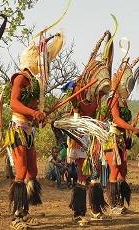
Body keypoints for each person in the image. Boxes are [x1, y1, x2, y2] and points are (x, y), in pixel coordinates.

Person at [3, 30, 64, 229]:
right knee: (20, 171)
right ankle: (16, 217)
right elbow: (13, 103)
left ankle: (25, 212)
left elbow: (33, 113)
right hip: (18, 128)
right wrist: (32, 112)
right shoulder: (20, 78)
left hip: (28, 130)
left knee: (32, 171)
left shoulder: (35, 83)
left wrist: (39, 117)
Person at [66, 30, 114, 225]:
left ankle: (95, 209)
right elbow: (75, 113)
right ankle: (78, 213)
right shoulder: (78, 89)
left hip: (92, 136)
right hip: (78, 134)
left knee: (94, 174)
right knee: (82, 174)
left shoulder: (97, 95)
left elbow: (96, 113)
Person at [103, 61, 139, 215]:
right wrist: (132, 128)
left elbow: (124, 123)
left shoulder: (123, 100)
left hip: (121, 140)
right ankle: (112, 205)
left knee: (122, 171)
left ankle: (120, 203)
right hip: (112, 138)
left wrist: (132, 127)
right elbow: (117, 119)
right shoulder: (112, 98)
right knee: (114, 169)